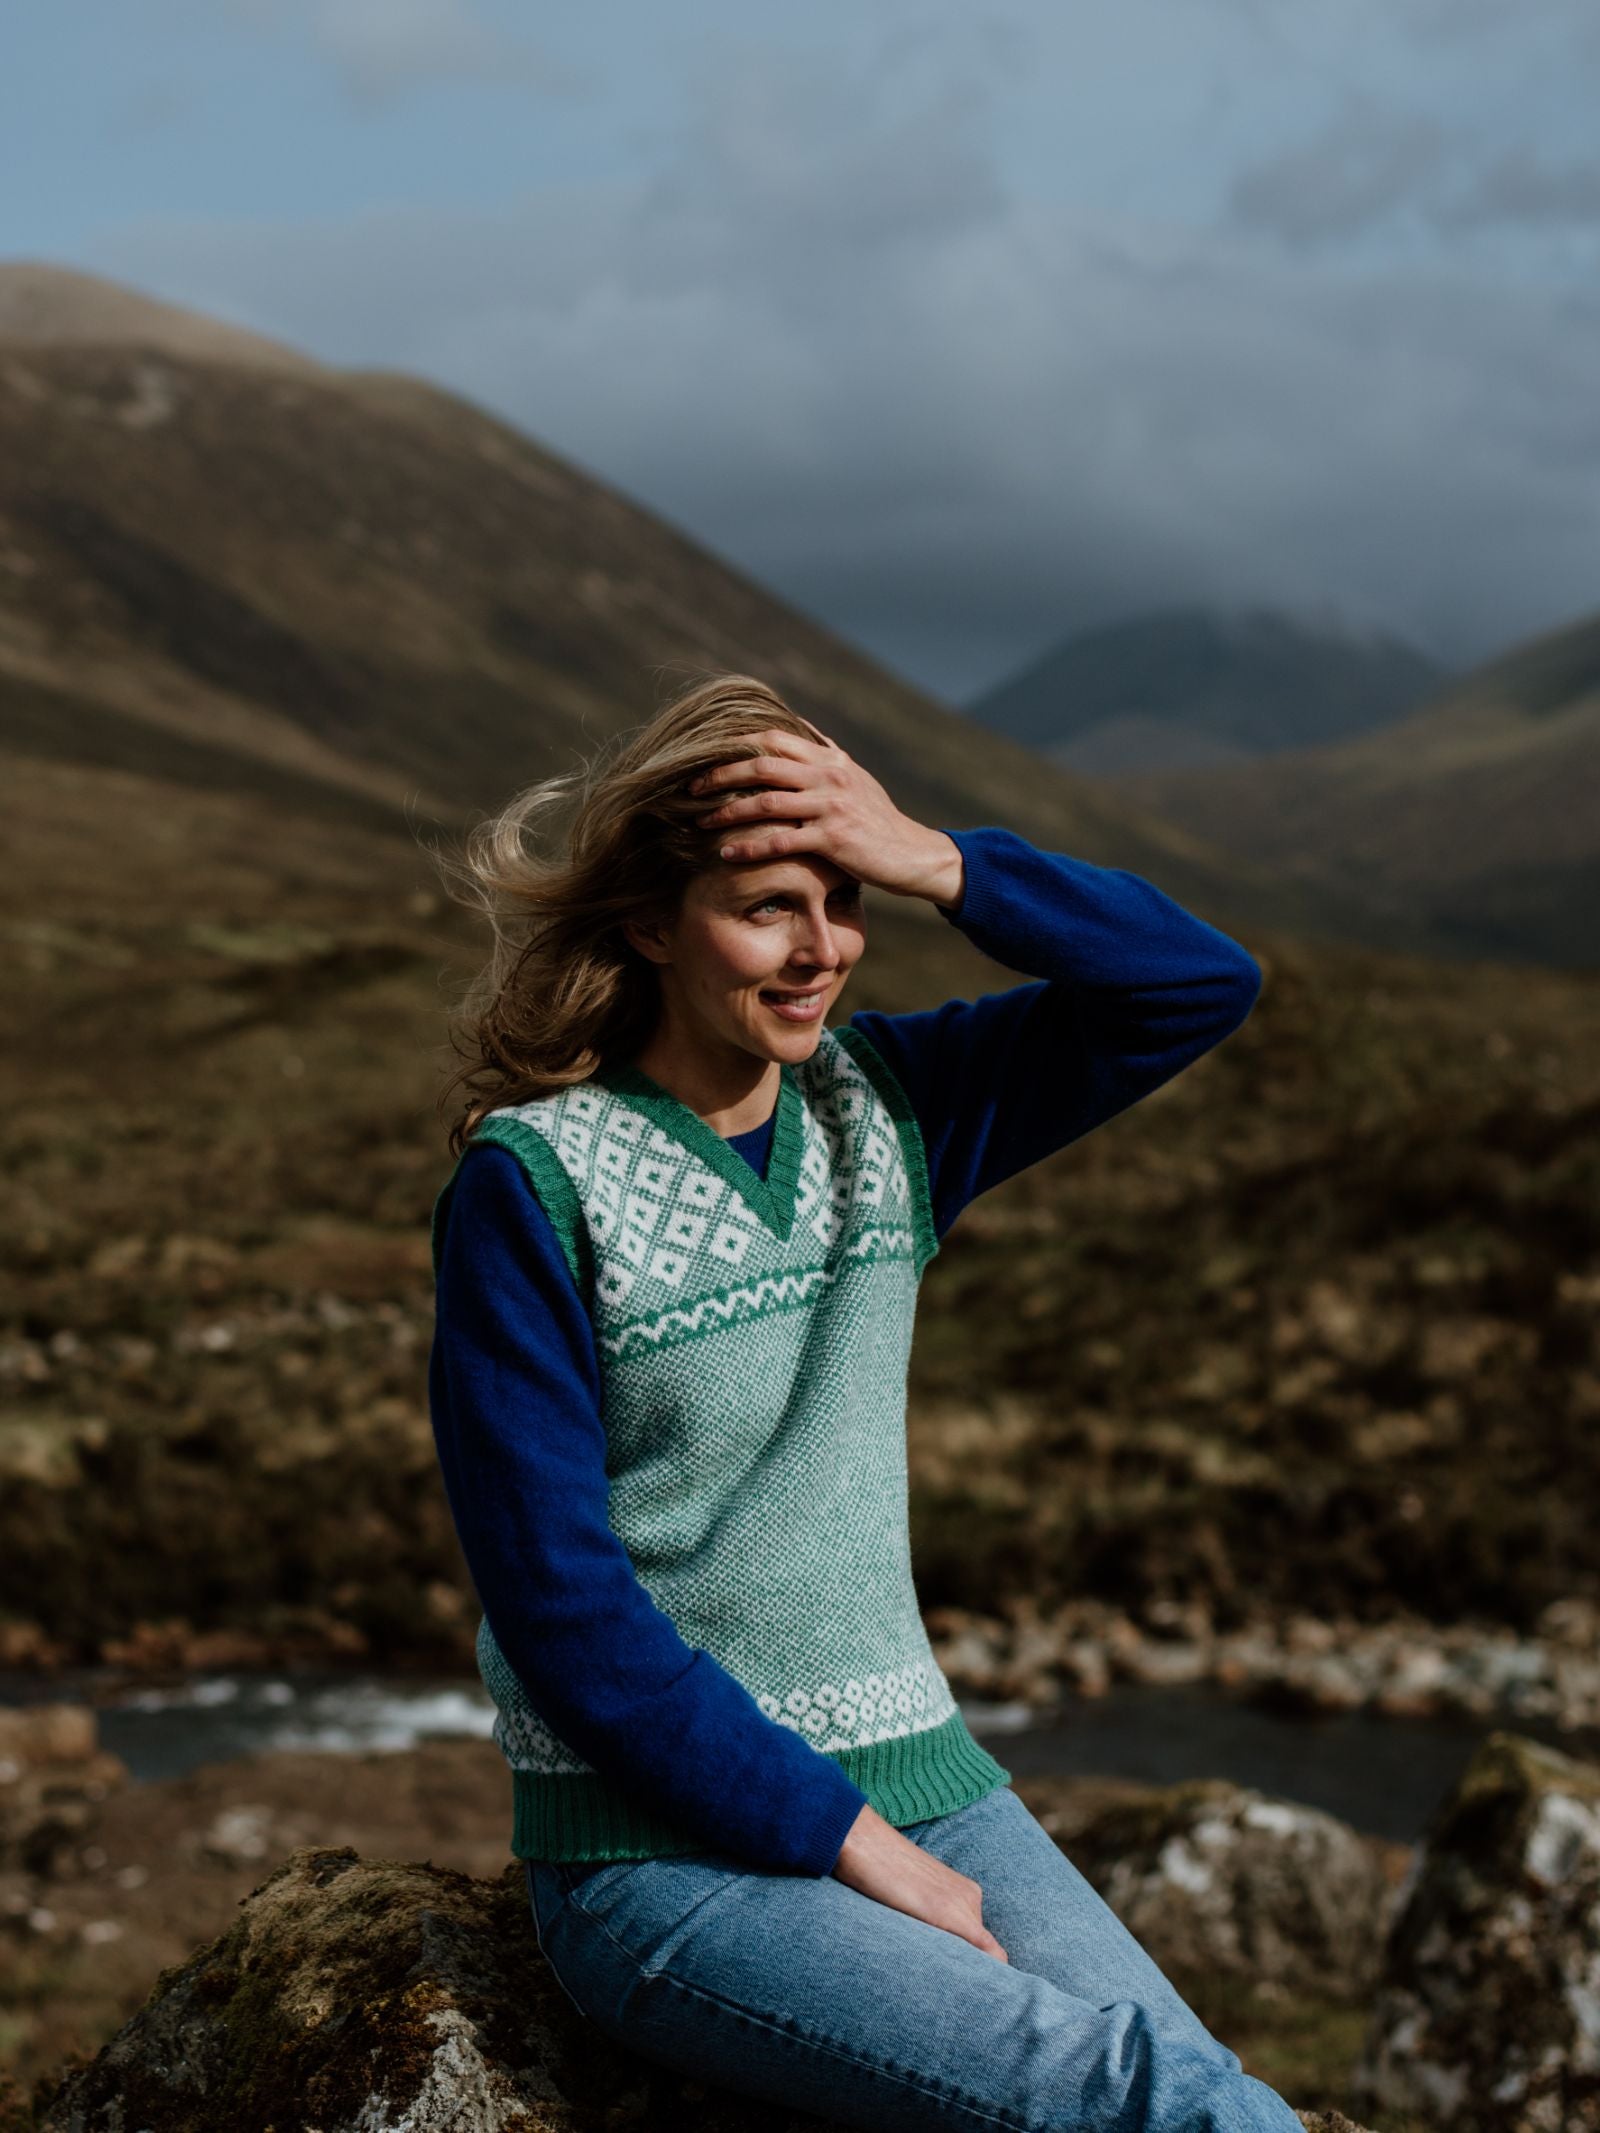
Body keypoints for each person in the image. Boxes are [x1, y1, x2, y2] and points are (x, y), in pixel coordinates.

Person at [427, 673, 1302, 2132]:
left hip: (929, 1780)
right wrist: (842, 1838)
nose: (821, 946)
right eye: (769, 903)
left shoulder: (891, 1107)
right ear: (650, 923)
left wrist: (940, 858)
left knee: (1207, 2094)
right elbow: (560, 1609)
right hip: (657, 1855)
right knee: (1133, 2100)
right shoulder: (532, 1185)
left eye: (845, 900)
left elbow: (1196, 982)